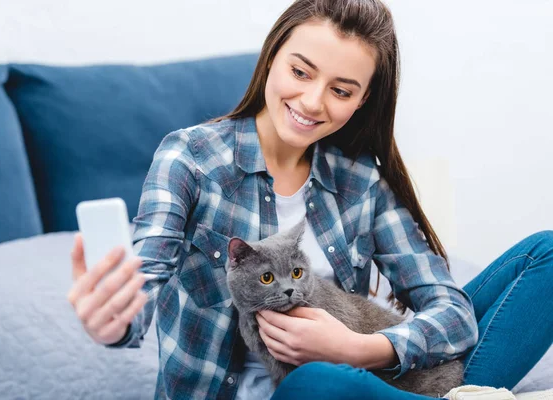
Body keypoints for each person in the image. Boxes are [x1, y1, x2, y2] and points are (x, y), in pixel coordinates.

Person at [67, 0, 553, 399]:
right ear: (272, 55)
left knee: (546, 255)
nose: (313, 102)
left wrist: (360, 350)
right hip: (301, 392)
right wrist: (112, 322)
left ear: (362, 100)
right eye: (301, 71)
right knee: (319, 381)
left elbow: (451, 311)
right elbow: (140, 292)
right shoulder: (191, 158)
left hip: (366, 378)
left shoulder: (359, 181)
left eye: (341, 90)